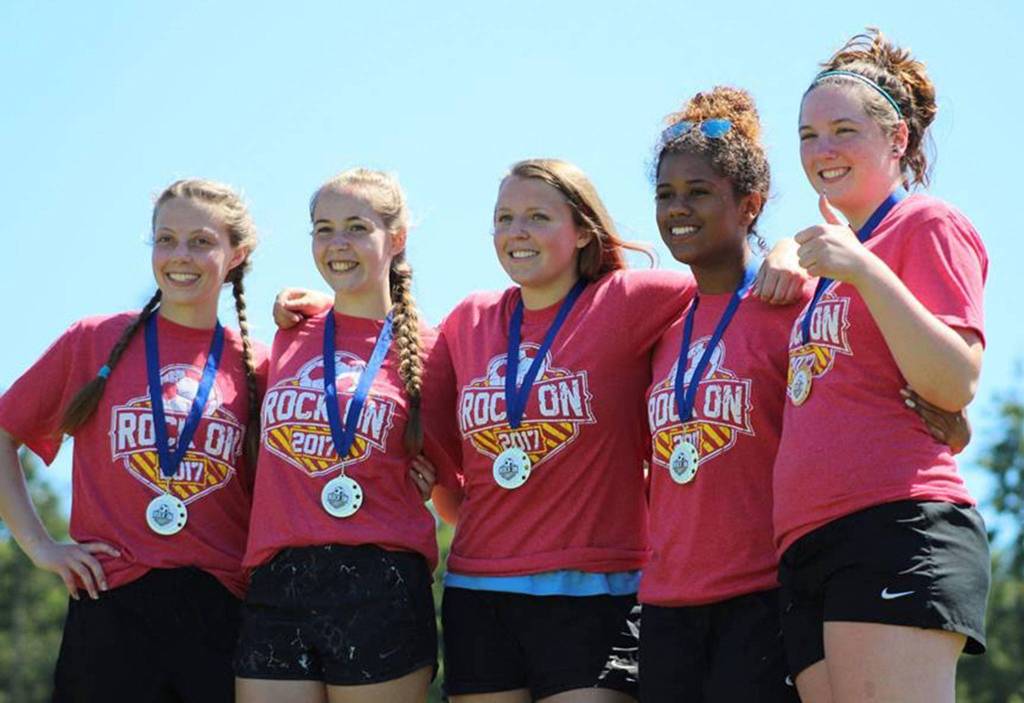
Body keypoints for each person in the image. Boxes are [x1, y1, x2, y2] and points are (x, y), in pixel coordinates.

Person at [434, 158, 811, 703]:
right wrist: (325, 307)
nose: (517, 232)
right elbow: (392, 368)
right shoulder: (468, 319)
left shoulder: (631, 300)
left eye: (538, 217)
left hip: (598, 591)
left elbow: (725, 275)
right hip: (478, 590)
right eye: (504, 218)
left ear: (583, 231)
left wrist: (788, 250)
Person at [774, 29, 990, 703]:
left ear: (897, 139)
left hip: (894, 523)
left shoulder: (927, 222)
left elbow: (955, 380)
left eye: (844, 131)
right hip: (809, 542)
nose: (823, 150)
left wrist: (865, 269)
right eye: (808, 135)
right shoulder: (829, 261)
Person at [0, 178, 266, 702]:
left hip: (223, 614)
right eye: (165, 239)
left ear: (236, 255)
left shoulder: (262, 362)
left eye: (201, 241)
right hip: (110, 607)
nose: (179, 255)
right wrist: (40, 547)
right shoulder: (94, 340)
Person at [234, 168, 459, 703]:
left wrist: (421, 484)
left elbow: (455, 492)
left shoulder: (434, 350)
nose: (338, 243)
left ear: (396, 239)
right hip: (276, 580)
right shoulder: (290, 332)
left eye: (357, 228)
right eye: (324, 229)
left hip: (381, 583)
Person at [640, 86, 805, 703]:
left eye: (699, 192)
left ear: (750, 205)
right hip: (665, 606)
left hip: (763, 595)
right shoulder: (658, 325)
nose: (678, 209)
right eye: (665, 195)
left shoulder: (793, 303)